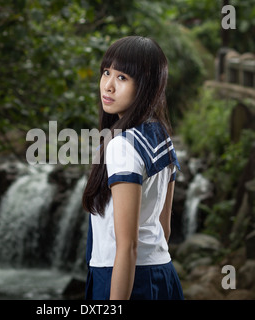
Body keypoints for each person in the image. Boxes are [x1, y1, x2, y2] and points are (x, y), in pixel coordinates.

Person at [82, 36, 184, 300]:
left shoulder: (122, 145)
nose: (108, 85)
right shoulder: (161, 135)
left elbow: (126, 246)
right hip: (161, 273)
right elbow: (165, 226)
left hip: (123, 277)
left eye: (123, 78)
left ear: (147, 86)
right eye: (106, 72)